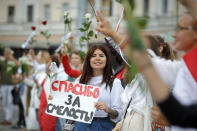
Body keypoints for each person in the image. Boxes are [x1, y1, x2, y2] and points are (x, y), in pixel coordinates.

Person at [73, 44, 124, 131]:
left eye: (101, 56)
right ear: (89, 60)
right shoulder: (79, 81)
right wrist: (56, 99)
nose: (97, 58)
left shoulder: (114, 83)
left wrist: (107, 109)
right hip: (81, 126)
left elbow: (118, 114)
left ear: (107, 59)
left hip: (104, 126)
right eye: (93, 56)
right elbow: (69, 105)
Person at [0, 48, 18, 125]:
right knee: (4, 102)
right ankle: (6, 118)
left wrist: (12, 59)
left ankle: (8, 119)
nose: (7, 55)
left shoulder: (13, 62)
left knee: (9, 102)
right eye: (6, 53)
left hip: (11, 85)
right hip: (3, 84)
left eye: (8, 53)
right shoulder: (2, 62)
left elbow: (19, 66)